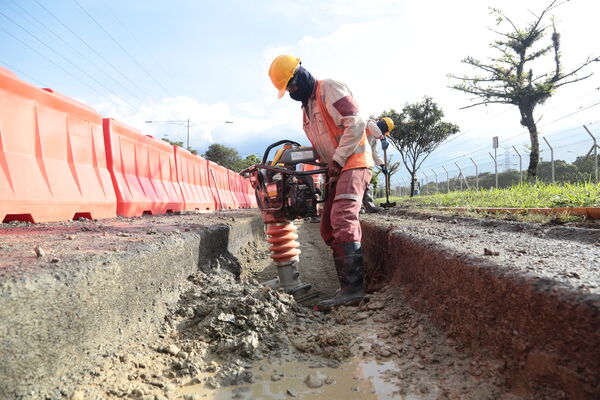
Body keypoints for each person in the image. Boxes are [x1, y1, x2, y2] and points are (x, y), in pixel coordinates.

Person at [268, 55, 373, 311]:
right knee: (326, 227)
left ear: (301, 72)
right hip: (335, 168)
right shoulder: (307, 110)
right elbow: (322, 147)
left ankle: (353, 290)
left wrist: (337, 159)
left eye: (292, 84)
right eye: (288, 89)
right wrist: (288, 157)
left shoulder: (328, 88)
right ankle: (348, 282)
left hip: (354, 162)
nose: (292, 91)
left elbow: (356, 123)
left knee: (343, 217)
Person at [362, 118, 394, 213]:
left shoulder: (374, 139)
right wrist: (382, 138)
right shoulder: (370, 123)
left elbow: (374, 152)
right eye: (384, 132)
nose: (383, 134)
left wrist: (382, 165)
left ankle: (369, 206)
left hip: (361, 160)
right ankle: (358, 207)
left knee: (366, 181)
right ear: (383, 125)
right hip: (351, 156)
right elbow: (372, 127)